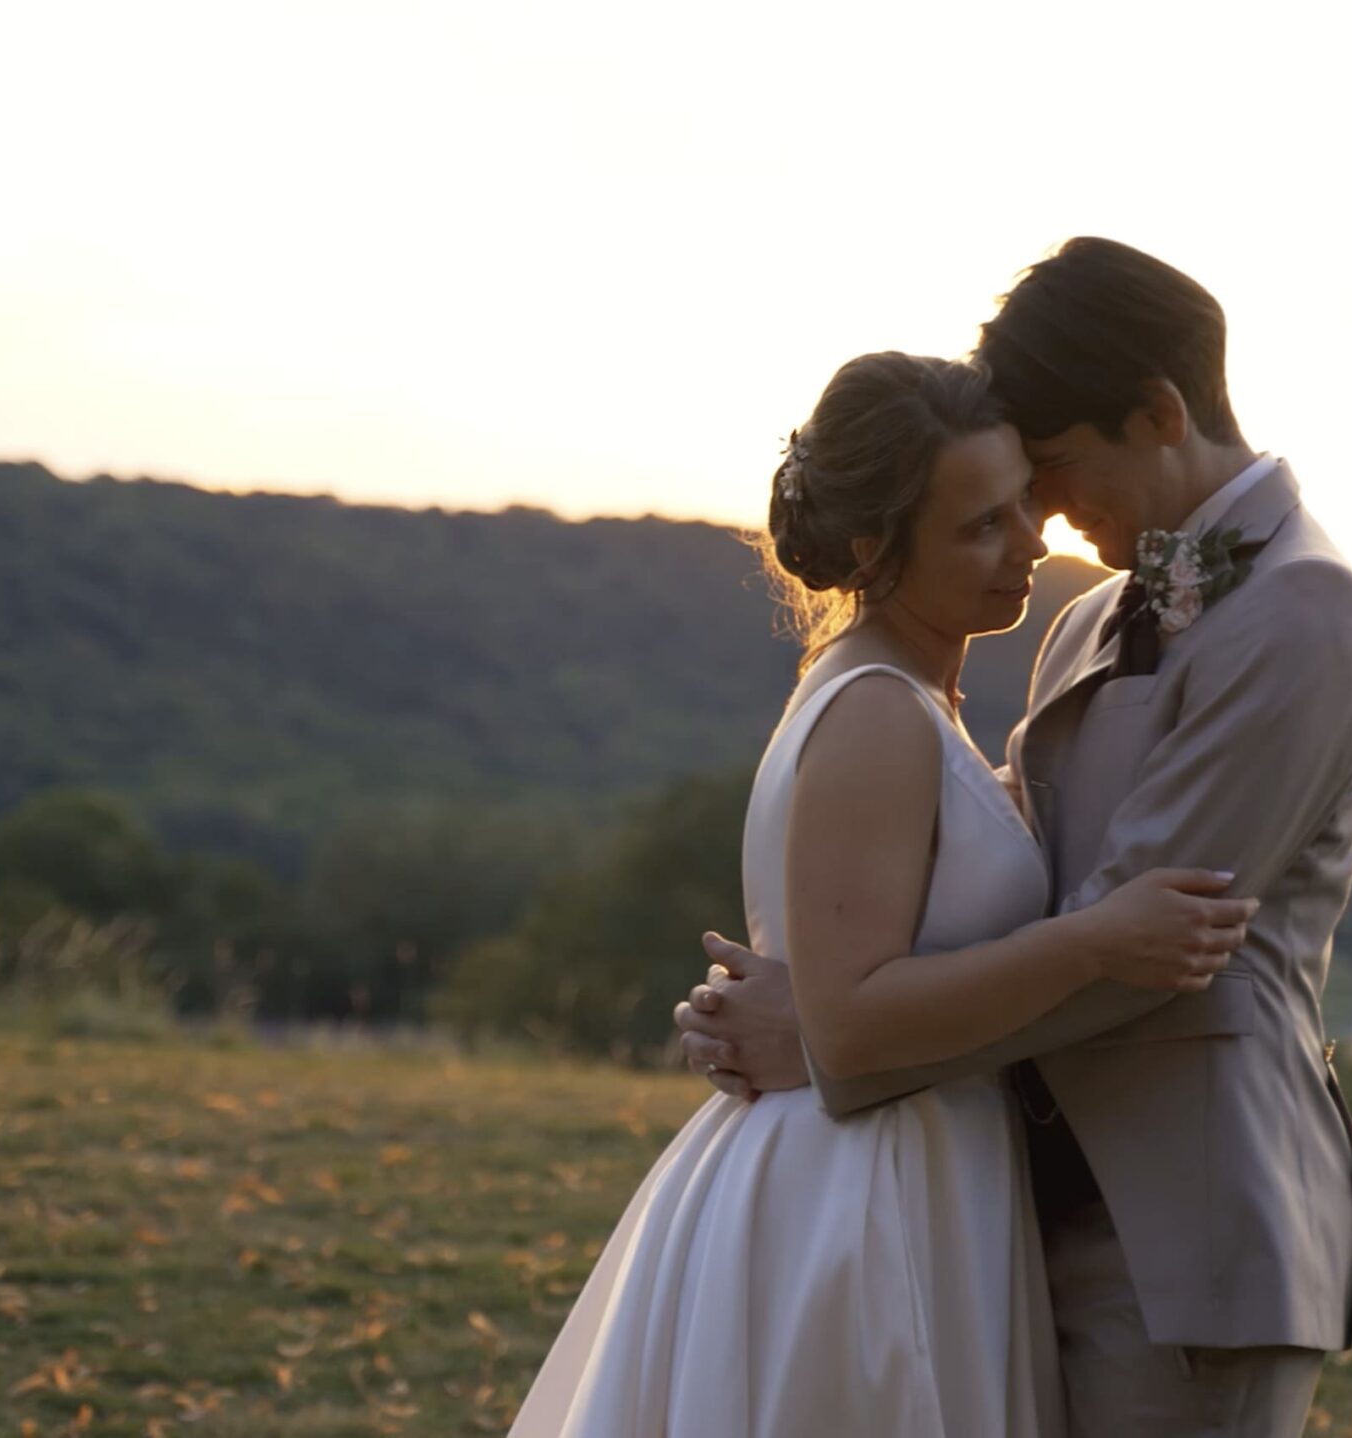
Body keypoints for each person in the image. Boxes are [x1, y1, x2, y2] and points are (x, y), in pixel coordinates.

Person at [679, 238, 1352, 1437]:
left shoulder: (1304, 612)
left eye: (1053, 470)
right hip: (1011, 1203)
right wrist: (815, 1002)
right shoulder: (1089, 619)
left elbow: (1144, 950)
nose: (1047, 517)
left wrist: (827, 1036)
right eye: (1009, 499)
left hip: (1186, 1227)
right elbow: (986, 889)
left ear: (1160, 412)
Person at [507, 351, 1260, 1438]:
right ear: (873, 548)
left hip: (922, 1171)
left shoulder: (913, 702)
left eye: (1022, 506)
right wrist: (1095, 941)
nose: (1029, 544)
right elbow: (852, 1025)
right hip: (862, 1200)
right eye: (980, 526)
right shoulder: (875, 715)